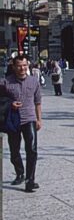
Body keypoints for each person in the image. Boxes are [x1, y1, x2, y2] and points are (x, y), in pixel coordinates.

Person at [0, 55, 43, 192]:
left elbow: (38, 102)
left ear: (28, 65)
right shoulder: (6, 82)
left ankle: (30, 180)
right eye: (19, 65)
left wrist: (39, 119)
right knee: (14, 151)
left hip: (29, 118)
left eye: (24, 65)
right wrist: (10, 104)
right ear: (13, 67)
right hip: (13, 120)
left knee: (32, 149)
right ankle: (20, 172)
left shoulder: (34, 81)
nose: (22, 68)